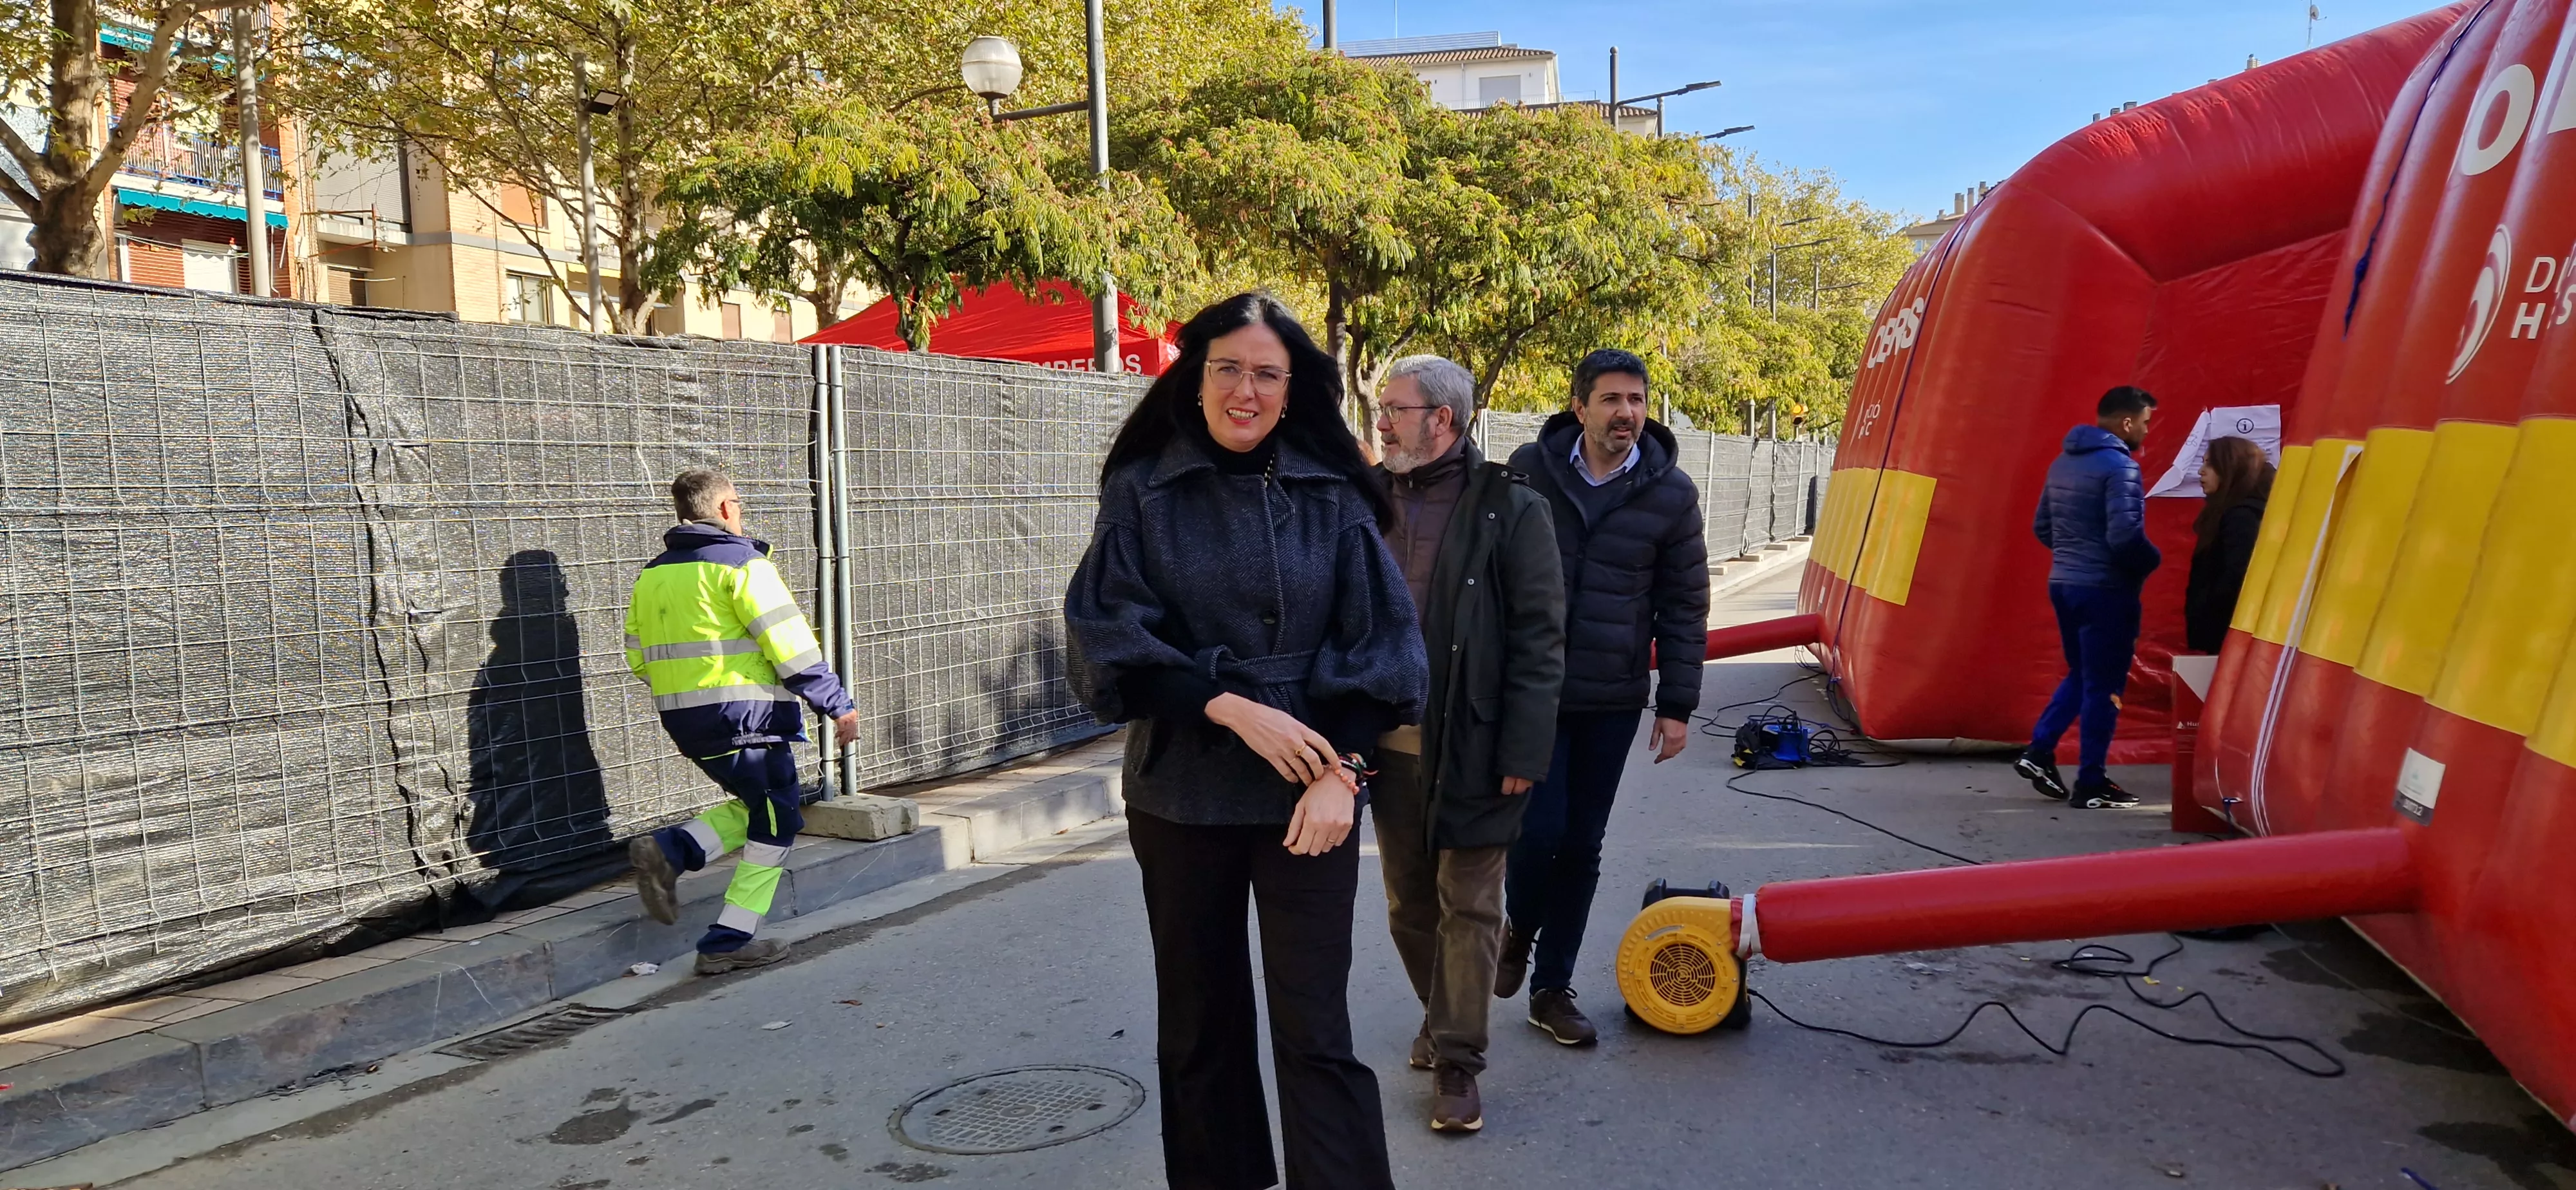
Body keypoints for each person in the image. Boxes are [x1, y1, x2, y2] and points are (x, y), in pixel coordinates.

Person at [1064, 292, 1426, 1190]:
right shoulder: (1142, 488)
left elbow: (1383, 648)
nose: (1246, 391)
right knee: (1200, 1023)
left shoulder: (1333, 492)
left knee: (1316, 1027)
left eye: (1267, 373)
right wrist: (1228, 706)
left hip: (1312, 792)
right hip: (1180, 789)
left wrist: (1345, 774)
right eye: (1227, 368)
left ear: (1291, 388)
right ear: (1196, 376)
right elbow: (1107, 640)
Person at [1368, 354, 1565, 1133]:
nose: (1382, 423)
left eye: (1394, 409)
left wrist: (1524, 750)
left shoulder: (1510, 507)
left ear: (1441, 419)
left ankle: (1457, 1060)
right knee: (1409, 902)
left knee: (1471, 905)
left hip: (1478, 743)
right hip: (1386, 745)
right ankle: (1438, 1009)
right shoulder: (1362, 498)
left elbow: (1540, 639)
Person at [1499, 348, 1709, 1046]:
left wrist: (1676, 705)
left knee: (1582, 844)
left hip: (1611, 699)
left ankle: (1551, 988)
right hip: (1531, 694)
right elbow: (1489, 574)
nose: (1627, 413)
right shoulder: (1529, 470)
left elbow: (1684, 605)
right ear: (1580, 406)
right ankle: (1519, 925)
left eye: (1637, 400)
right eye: (1613, 399)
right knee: (1537, 834)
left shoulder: (1671, 493)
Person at [623, 468, 861, 974]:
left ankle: (674, 852)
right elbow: (789, 645)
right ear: (727, 508)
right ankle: (727, 938)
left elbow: (638, 659)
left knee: (765, 805)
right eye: (739, 503)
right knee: (778, 822)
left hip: (685, 720)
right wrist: (836, 703)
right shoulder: (743, 565)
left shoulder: (652, 575)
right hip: (747, 718)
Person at [2014, 386, 2161, 809]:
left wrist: (2074, 556)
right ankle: (2091, 783)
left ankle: (2040, 750)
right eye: (2146, 423)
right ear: (2127, 422)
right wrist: (2151, 561)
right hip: (2106, 590)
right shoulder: (2122, 468)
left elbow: (2043, 527)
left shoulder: (2063, 463)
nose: (2147, 432)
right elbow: (2126, 537)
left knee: (2082, 674)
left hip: (2065, 584)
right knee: (2106, 686)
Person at [2183, 435, 2274, 654]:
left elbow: (2237, 575)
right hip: (2225, 635)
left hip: (2230, 636)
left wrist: (2210, 610)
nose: (2201, 471)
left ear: (2231, 468)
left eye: (2210, 464)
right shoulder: (2228, 512)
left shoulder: (2241, 517)